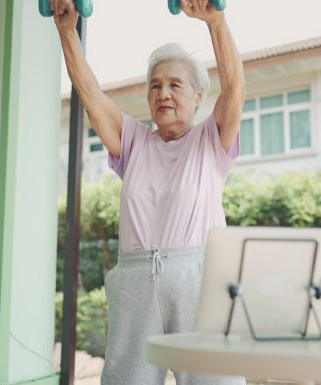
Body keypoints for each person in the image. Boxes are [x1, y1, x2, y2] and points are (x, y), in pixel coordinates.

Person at [51, 0, 246, 383]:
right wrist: (66, 31)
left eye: (175, 85)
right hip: (137, 280)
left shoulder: (210, 140)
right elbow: (91, 95)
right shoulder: (135, 143)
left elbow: (235, 89)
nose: (164, 94)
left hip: (198, 277)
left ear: (197, 96)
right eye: (155, 86)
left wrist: (215, 21)